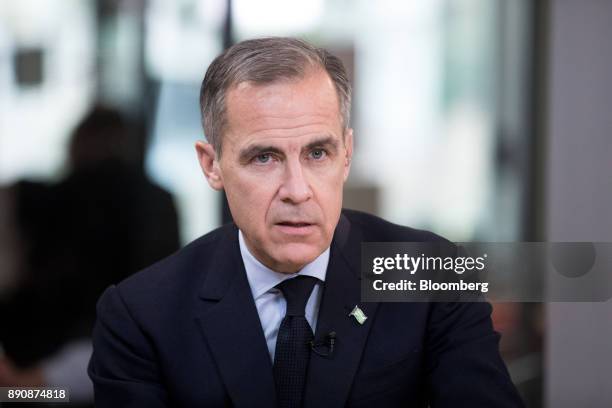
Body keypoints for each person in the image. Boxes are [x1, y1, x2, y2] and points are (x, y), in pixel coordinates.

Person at [88, 37, 524, 407]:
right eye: (264, 157)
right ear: (212, 165)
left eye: (318, 154)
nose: (297, 190)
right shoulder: (142, 316)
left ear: (347, 154)